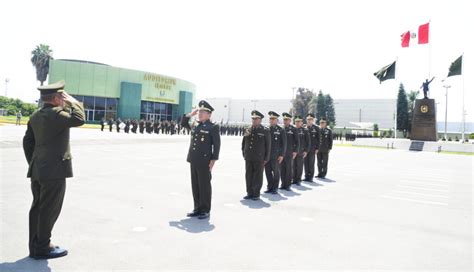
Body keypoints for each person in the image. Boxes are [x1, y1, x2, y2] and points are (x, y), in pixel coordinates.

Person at [22, 80, 85, 259]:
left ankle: (35, 245)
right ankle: (43, 246)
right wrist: (73, 102)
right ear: (57, 98)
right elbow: (79, 119)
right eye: (62, 96)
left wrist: (34, 162)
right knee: (49, 209)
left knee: (37, 208)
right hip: (54, 170)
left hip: (38, 170)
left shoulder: (35, 116)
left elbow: (27, 142)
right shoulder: (57, 114)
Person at [181, 100, 221, 220]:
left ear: (209, 114)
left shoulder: (213, 127)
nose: (200, 113)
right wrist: (190, 115)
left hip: (205, 161)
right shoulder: (196, 125)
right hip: (193, 159)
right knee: (195, 185)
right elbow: (183, 124)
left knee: (204, 186)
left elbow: (217, 145)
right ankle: (197, 208)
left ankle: (205, 210)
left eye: (203, 112)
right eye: (200, 111)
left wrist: (213, 160)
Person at [242, 110, 271, 200]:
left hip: (259, 157)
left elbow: (268, 145)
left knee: (257, 176)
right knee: (248, 175)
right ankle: (249, 192)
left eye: (256, 119)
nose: (254, 120)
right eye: (253, 118)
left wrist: (266, 158)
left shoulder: (265, 131)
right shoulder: (248, 129)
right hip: (249, 157)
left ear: (260, 120)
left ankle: (256, 194)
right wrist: (244, 153)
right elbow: (244, 143)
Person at [264, 111, 287, 194]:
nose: (271, 120)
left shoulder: (281, 130)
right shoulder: (266, 129)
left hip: (276, 155)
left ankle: (275, 188)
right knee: (268, 172)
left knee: (276, 172)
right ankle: (269, 187)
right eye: (270, 119)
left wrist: (282, 155)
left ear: (277, 120)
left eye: (273, 119)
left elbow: (284, 144)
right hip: (267, 156)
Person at [280, 112, 299, 191]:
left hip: (289, 152)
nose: (285, 121)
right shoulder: (281, 129)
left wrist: (295, 151)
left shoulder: (293, 129)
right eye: (284, 119)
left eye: (286, 119)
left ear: (290, 120)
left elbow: (297, 141)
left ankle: (287, 185)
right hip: (281, 153)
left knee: (288, 169)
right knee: (282, 169)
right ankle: (283, 183)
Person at [292, 115, 310, 186]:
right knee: (293, 166)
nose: (297, 123)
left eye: (299, 121)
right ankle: (293, 179)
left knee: (299, 166)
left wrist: (306, 151)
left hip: (300, 152)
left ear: (302, 122)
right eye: (296, 121)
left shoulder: (305, 130)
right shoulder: (292, 129)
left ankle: (298, 179)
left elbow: (308, 142)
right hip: (293, 152)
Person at [303, 113, 319, 182]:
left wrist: (317, 148)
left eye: (311, 119)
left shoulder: (316, 128)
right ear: (306, 120)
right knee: (305, 163)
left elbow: (318, 139)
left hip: (312, 149)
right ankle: (306, 176)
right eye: (308, 119)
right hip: (304, 149)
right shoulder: (303, 127)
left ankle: (311, 177)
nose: (309, 121)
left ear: (313, 120)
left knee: (311, 163)